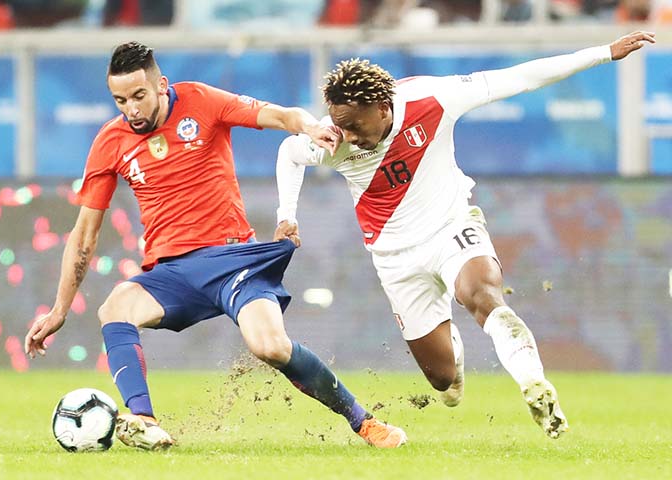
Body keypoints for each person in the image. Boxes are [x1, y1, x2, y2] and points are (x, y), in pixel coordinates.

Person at [24, 41, 407, 450]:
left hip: (233, 262)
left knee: (271, 346)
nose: (131, 109)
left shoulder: (200, 100)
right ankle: (144, 420)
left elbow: (277, 114)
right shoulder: (110, 141)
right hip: (172, 274)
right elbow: (84, 235)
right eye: (120, 100)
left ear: (160, 86)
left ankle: (363, 423)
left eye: (139, 96)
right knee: (115, 306)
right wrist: (59, 309)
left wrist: (309, 126)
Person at [274, 31, 655, 439]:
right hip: (395, 257)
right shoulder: (330, 138)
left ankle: (534, 385)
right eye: (339, 124)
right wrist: (287, 214)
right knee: (442, 380)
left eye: (354, 125)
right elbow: (289, 153)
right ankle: (452, 351)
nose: (346, 135)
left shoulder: (432, 98)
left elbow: (520, 78)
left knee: (482, 295)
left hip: (451, 226)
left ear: (384, 108)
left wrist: (602, 54)